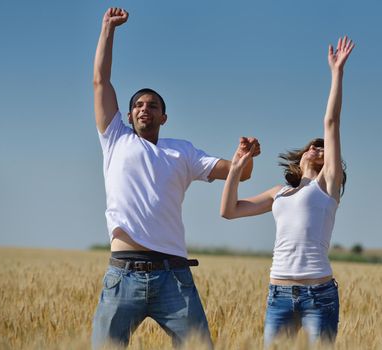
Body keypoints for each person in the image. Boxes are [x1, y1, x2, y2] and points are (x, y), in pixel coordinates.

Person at [91, 8, 259, 349]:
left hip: (174, 279)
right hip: (123, 274)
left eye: (152, 105)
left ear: (163, 117)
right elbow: (100, 81)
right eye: (138, 104)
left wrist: (244, 157)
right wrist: (108, 28)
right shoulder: (115, 138)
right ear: (126, 115)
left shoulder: (182, 152)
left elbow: (240, 172)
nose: (144, 109)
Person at [220, 36, 354, 346]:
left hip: (318, 295)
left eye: (323, 149)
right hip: (277, 294)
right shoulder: (279, 193)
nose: (318, 148)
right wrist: (238, 166)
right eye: (314, 146)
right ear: (303, 153)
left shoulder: (327, 186)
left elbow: (331, 122)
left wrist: (337, 72)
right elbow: (229, 211)